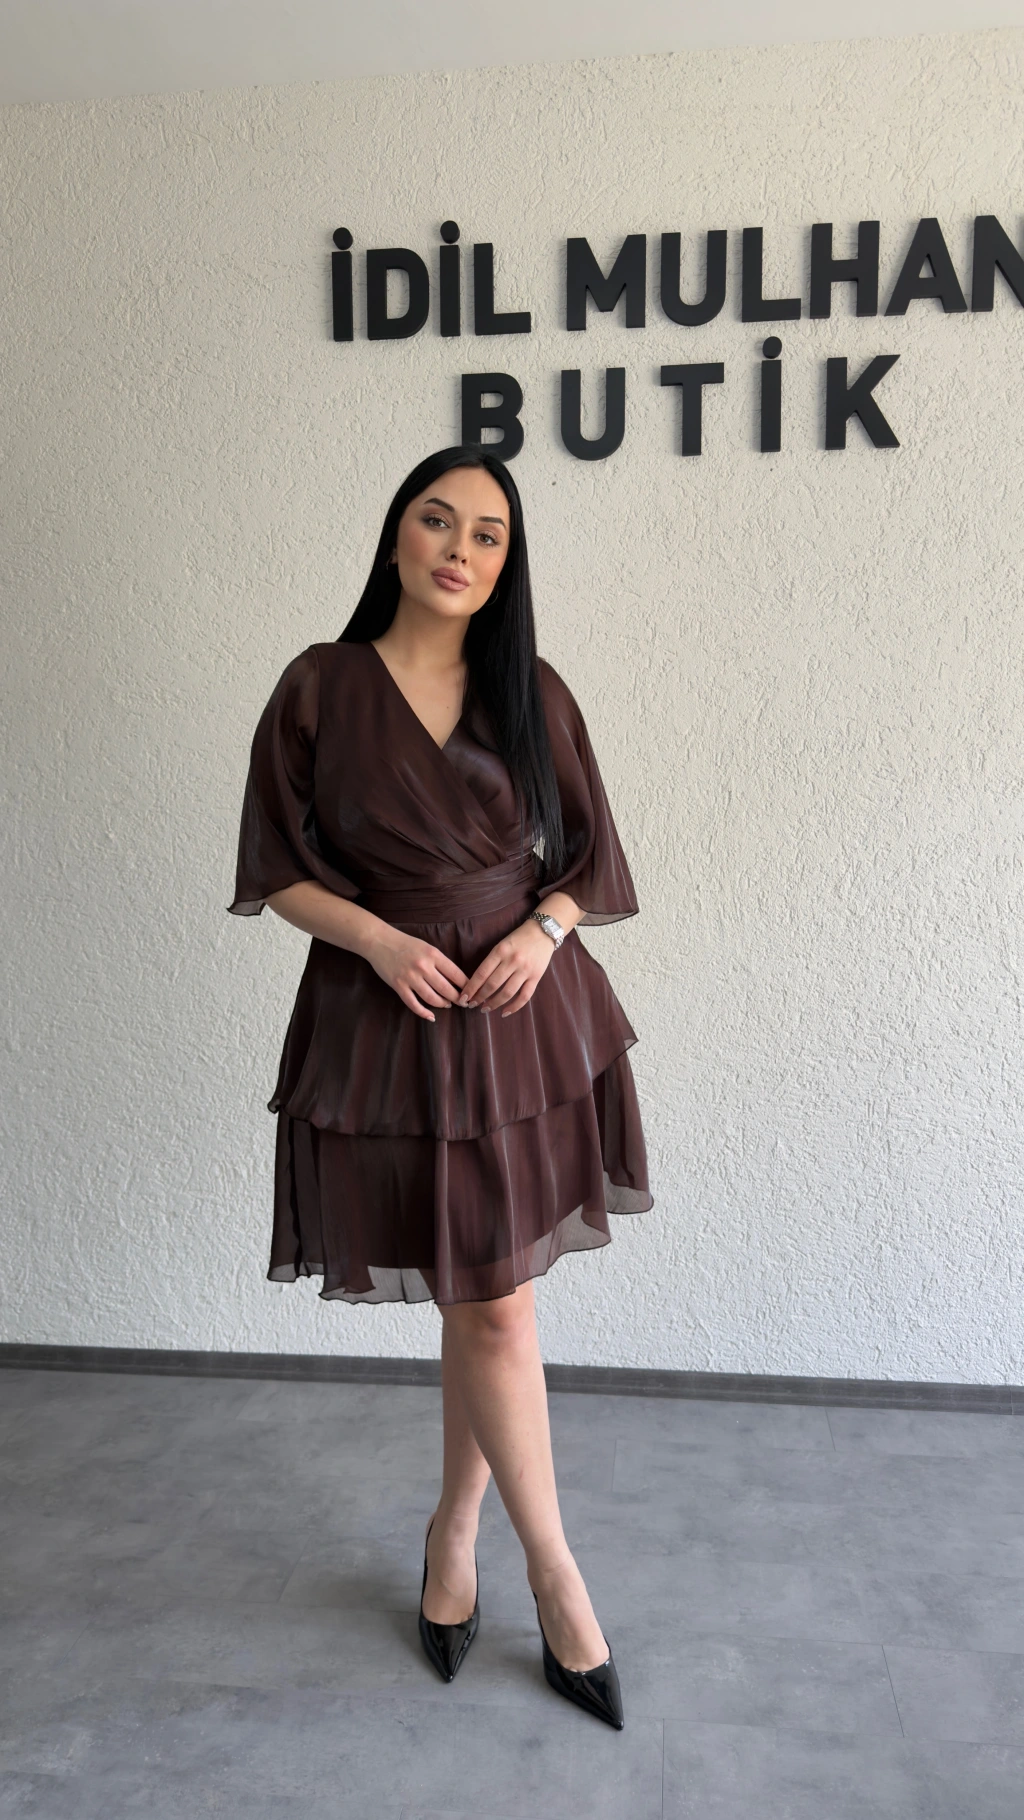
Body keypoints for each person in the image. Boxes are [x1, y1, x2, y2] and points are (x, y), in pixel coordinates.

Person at [227, 445, 653, 1730]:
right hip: (392, 1022)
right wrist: (374, 937)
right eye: (436, 519)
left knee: (491, 1306)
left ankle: (483, 1542)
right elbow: (274, 864)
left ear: (506, 564)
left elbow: (591, 858)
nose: (459, 548)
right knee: (487, 1303)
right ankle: (522, 1559)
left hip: (521, 1028)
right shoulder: (318, 685)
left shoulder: (531, 689)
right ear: (396, 535)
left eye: (487, 533)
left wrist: (544, 930)